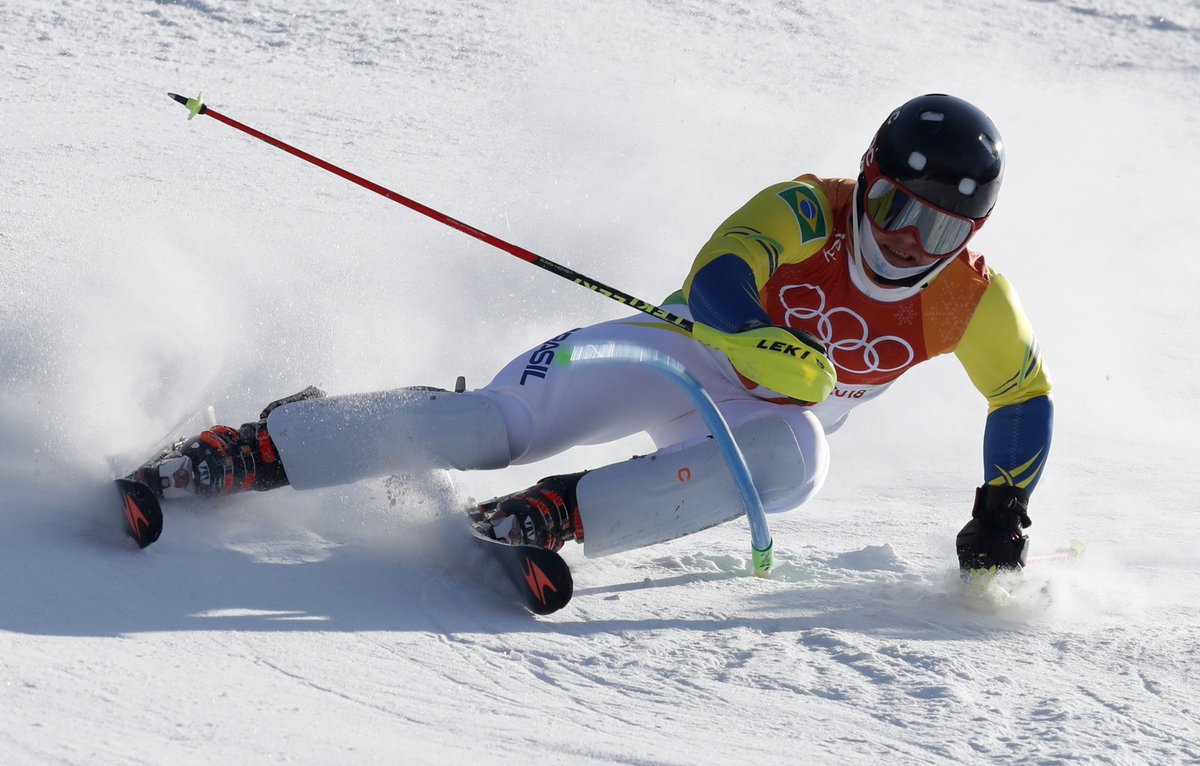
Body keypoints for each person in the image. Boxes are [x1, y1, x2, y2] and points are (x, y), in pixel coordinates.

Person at [133, 94, 1052, 572]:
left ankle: (560, 511)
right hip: (674, 354)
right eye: (892, 203)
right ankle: (256, 445)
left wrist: (1001, 505)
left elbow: (1021, 393)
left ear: (968, 236)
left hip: (742, 433)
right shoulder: (810, 208)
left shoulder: (968, 303)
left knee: (803, 454)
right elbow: (721, 273)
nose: (900, 237)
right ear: (868, 175)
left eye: (933, 228)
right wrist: (742, 338)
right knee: (491, 427)